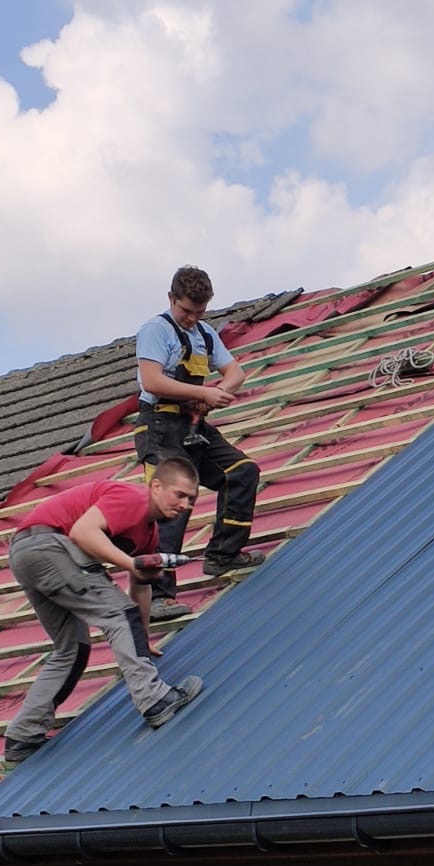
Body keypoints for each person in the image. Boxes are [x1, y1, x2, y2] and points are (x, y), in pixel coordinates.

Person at [3, 459, 204, 768]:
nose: (185, 504)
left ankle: (22, 736)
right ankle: (154, 700)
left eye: (191, 499)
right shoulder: (132, 498)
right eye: (179, 494)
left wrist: (143, 634)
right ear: (156, 486)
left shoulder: (148, 534)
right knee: (119, 614)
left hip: (27, 553)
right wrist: (132, 565)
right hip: (48, 545)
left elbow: (140, 587)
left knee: (73, 648)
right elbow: (83, 533)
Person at [134, 264, 265, 619]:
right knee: (173, 503)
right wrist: (201, 391)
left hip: (192, 423)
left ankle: (223, 554)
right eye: (186, 311)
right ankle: (160, 595)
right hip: (160, 425)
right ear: (171, 299)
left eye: (199, 311)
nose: (192, 318)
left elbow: (235, 373)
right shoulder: (155, 330)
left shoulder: (205, 334)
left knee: (242, 471)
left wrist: (215, 394)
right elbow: (152, 382)